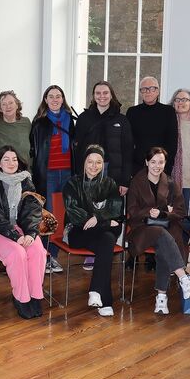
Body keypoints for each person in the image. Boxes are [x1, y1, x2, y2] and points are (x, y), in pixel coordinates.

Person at [126, 147, 190, 314]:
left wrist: (163, 212)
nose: (156, 166)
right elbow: (132, 211)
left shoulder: (171, 183)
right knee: (161, 234)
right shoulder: (137, 182)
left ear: (165, 163)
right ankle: (183, 278)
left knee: (164, 242)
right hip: (141, 229)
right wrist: (152, 211)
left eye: (160, 162)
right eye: (153, 162)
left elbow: (180, 211)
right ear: (146, 162)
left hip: (166, 228)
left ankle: (162, 297)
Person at [0, 146, 45, 319]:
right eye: (6, 159)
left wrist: (30, 233)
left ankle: (35, 295)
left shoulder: (26, 181)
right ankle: (21, 297)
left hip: (22, 229)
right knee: (17, 253)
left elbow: (33, 209)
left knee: (37, 250)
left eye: (14, 159)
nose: (11, 163)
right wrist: (16, 236)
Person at [63, 145, 123, 317]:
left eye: (98, 162)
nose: (94, 166)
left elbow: (116, 209)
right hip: (78, 232)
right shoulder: (72, 183)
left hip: (101, 233)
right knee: (108, 237)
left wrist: (97, 217)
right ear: (84, 163)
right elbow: (75, 214)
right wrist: (104, 220)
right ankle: (102, 297)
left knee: (106, 240)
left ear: (103, 164)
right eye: (90, 162)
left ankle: (97, 293)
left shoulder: (110, 183)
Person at [29, 85, 77, 274]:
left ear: (63, 99)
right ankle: (44, 255)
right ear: (46, 100)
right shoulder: (39, 122)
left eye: (59, 96)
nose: (55, 99)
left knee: (62, 213)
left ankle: (54, 255)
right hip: (47, 174)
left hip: (67, 173)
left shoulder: (71, 121)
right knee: (47, 214)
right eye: (51, 96)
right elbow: (34, 151)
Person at [73, 81, 134, 195]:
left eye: (105, 93)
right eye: (98, 93)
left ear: (111, 95)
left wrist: (125, 181)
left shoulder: (121, 120)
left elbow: (128, 151)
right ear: (94, 96)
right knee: (89, 209)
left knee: (111, 210)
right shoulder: (83, 118)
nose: (102, 96)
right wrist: (78, 175)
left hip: (112, 173)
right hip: (89, 171)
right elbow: (78, 150)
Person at [126, 76, 178, 176]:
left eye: (152, 88)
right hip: (138, 167)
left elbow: (172, 143)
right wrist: (132, 168)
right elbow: (128, 143)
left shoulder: (168, 111)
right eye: (144, 89)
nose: (148, 92)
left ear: (158, 91)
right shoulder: (132, 112)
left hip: (162, 167)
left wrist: (166, 167)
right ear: (141, 93)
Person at [0, 90, 33, 163]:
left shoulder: (26, 122)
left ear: (17, 105)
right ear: (0, 109)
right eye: (4, 104)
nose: (8, 106)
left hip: (24, 172)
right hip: (1, 172)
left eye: (11, 103)